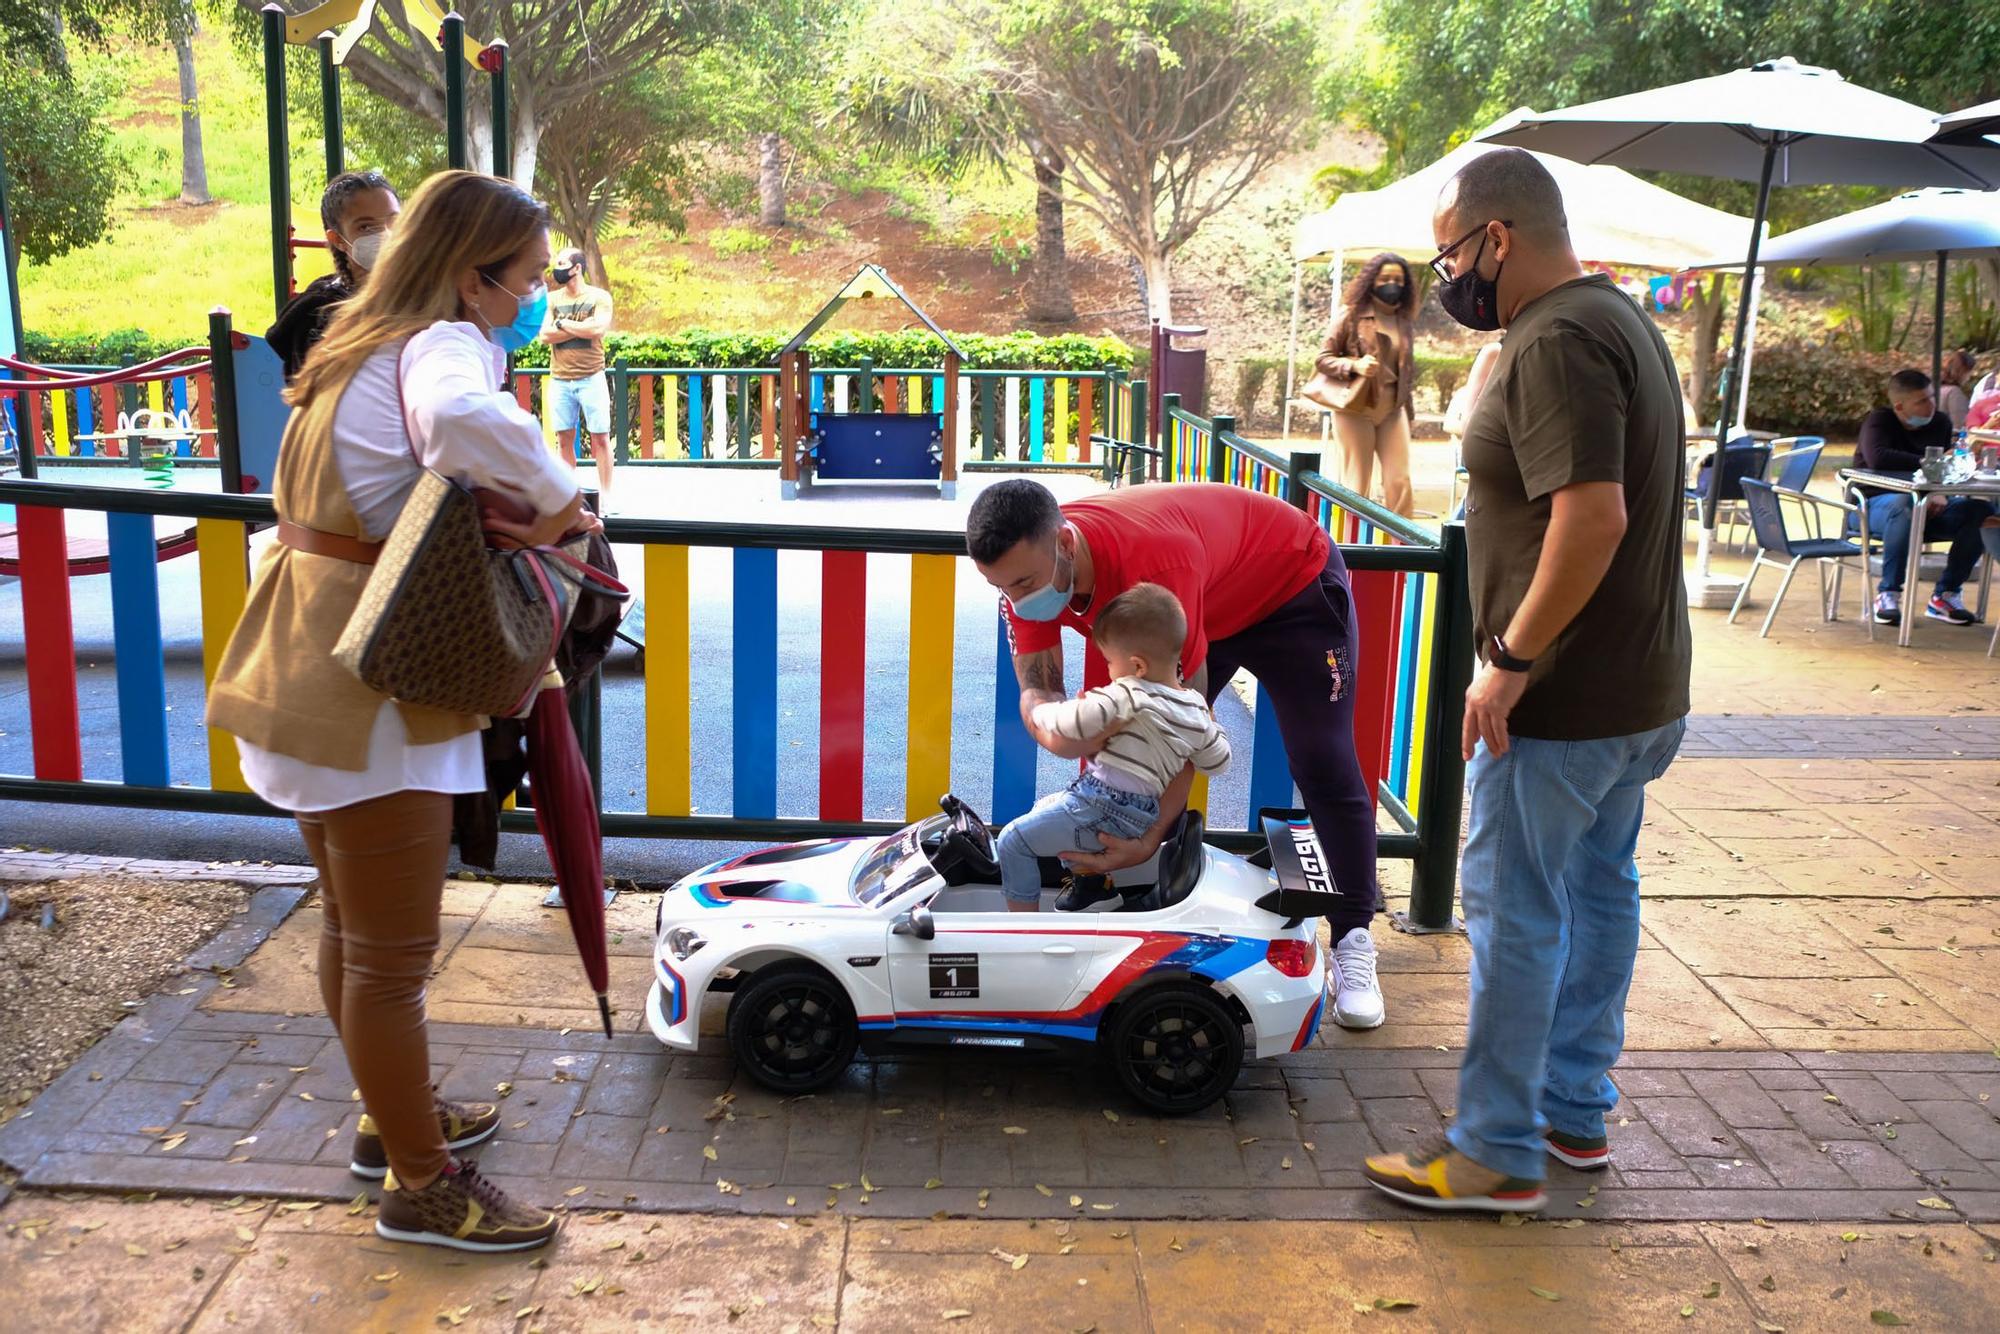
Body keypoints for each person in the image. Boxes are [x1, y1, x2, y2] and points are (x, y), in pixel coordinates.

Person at [206, 170, 601, 1253]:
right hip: (370, 683)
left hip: (304, 657)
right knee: (389, 956)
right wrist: (567, 500)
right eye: (524, 280)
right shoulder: (440, 346)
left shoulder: (355, 336)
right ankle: (423, 1184)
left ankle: (395, 1121)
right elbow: (466, 423)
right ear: (474, 279)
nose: (533, 299)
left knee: (350, 926)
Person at [1362, 148, 1691, 1212]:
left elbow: (1591, 517)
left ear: (1495, 240)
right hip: (1640, 693)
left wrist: (1504, 665)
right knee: (1598, 891)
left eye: (1450, 251)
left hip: (1559, 702)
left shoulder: (1553, 339)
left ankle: (1494, 1149)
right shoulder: (1615, 318)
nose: (1442, 275)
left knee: (1512, 906)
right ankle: (1569, 1111)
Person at [966, 479, 1385, 1027]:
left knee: (1320, 758)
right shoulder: (1026, 574)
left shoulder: (1152, 564)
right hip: (1201, 601)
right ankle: (1101, 880)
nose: (1019, 602)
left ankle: (1353, 938)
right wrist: (1049, 726)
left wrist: (1148, 837)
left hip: (1290, 585)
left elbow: (1184, 727)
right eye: (1001, 588)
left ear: (1066, 544)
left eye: (1023, 583)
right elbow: (1041, 691)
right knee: (1114, 737)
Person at [996, 583, 1231, 913]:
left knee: (1012, 841)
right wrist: (1213, 725)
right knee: (1044, 808)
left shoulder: (1128, 694)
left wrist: (1040, 710)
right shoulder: (1194, 709)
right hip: (1137, 815)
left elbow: (1070, 723)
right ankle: (1095, 888)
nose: (1108, 671)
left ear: (1137, 667)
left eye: (1109, 661)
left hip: (1101, 806)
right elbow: (1218, 762)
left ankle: (1024, 932)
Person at [1854, 368, 1994, 627]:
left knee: (1980, 511)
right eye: (1921, 401)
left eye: (1931, 397)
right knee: (1903, 504)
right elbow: (1878, 458)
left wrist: (1936, 491)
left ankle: (1946, 595)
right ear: (1899, 406)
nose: (1931, 405)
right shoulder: (1879, 421)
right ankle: (1888, 594)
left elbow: (1947, 467)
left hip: (1929, 508)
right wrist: (1930, 470)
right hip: (1874, 507)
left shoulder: (1940, 422)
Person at [267, 171, 400, 380]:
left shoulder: (423, 296)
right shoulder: (319, 315)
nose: (385, 234)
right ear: (337, 239)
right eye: (365, 227)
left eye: (393, 221)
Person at [1315, 252, 1419, 516]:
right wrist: (1354, 365)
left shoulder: (1404, 322)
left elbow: (1405, 371)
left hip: (1392, 410)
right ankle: (1352, 545)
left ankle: (1403, 547)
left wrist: (1409, 414)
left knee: (1400, 480)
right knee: (1356, 485)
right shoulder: (1350, 316)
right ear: (1371, 281)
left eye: (1398, 279)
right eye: (1385, 278)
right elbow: (1323, 359)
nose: (1392, 284)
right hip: (1355, 409)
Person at [543, 247, 616, 502]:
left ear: (577, 267)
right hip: (560, 379)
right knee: (564, 439)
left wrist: (561, 324)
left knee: (601, 439)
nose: (557, 269)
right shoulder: (552, 299)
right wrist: (579, 328)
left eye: (563, 264)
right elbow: (544, 335)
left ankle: (606, 496)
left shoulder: (599, 297)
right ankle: (568, 497)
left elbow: (597, 328)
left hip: (592, 376)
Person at [1939, 349, 1977, 431]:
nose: (1969, 377)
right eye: (1969, 372)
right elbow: (1959, 425)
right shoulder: (1954, 393)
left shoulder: (1938, 388)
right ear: (1963, 371)